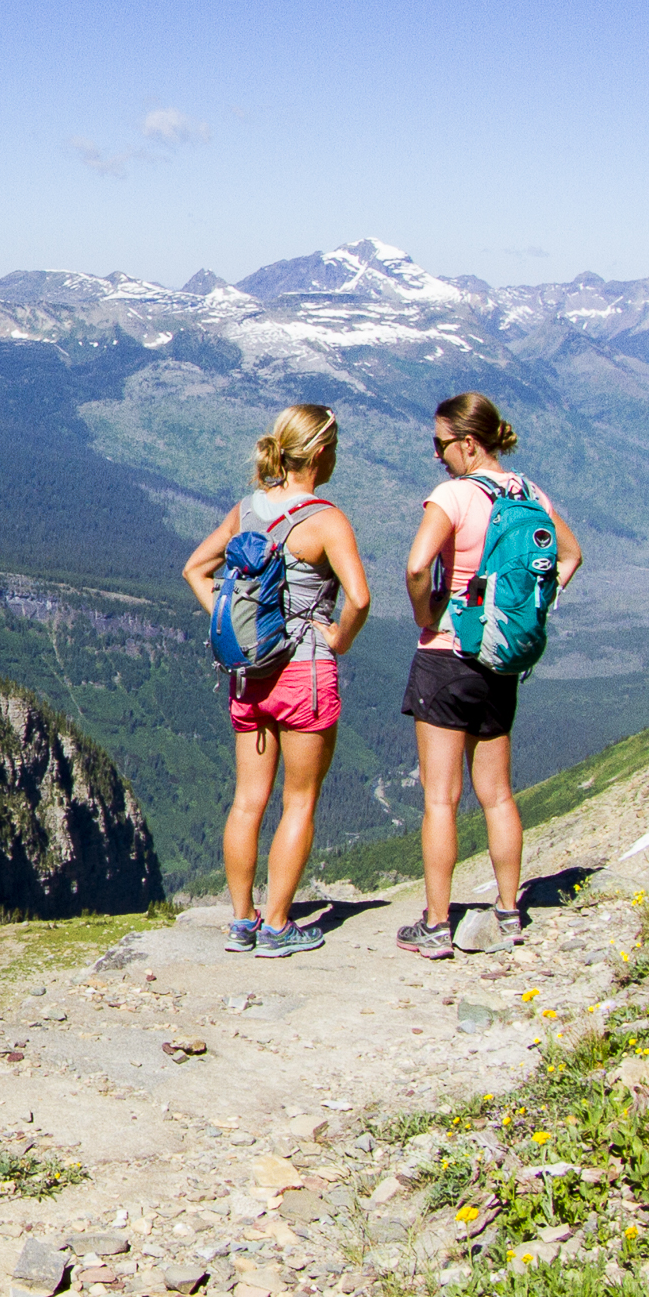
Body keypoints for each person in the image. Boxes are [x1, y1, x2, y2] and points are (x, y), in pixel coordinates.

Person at [397, 392, 584, 959]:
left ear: (469, 443)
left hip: (448, 656)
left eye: (440, 443)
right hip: (502, 659)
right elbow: (570, 555)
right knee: (498, 795)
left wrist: (429, 614)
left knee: (440, 798)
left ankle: (435, 924)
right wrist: (528, 612)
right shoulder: (531, 494)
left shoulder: (452, 495)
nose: (437, 455)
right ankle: (508, 912)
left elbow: (415, 565)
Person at [181, 404, 372, 959]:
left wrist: (228, 623)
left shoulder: (248, 511)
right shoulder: (326, 520)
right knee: (299, 801)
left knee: (247, 802)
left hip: (249, 674)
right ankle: (279, 925)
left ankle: (242, 921)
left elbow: (196, 568)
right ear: (319, 453)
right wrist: (338, 637)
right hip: (304, 673)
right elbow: (358, 598)